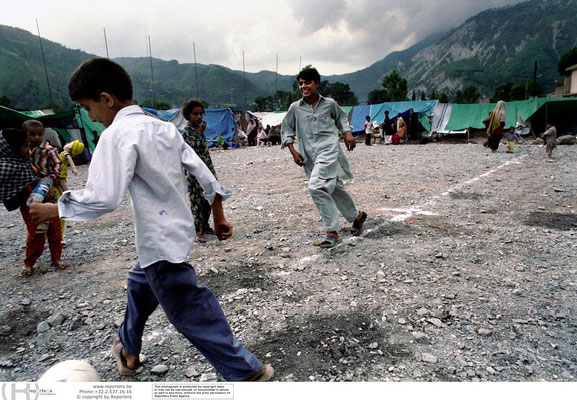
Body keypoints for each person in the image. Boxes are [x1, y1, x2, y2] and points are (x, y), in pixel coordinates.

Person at [29, 58, 273, 382]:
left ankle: (246, 373)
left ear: (106, 99)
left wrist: (56, 208)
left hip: (159, 241)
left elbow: (105, 197)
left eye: (88, 108)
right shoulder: (165, 129)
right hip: (175, 233)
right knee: (138, 283)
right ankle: (127, 348)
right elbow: (204, 172)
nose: (90, 117)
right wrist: (218, 216)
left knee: (191, 309)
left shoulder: (116, 135)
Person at [281, 67, 367, 248]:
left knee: (316, 186)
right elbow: (287, 129)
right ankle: (357, 217)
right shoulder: (295, 108)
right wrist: (293, 151)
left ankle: (331, 231)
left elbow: (341, 118)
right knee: (334, 187)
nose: (303, 86)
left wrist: (347, 132)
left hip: (328, 151)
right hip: (308, 155)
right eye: (301, 83)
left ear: (317, 84)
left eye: (307, 82)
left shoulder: (329, 104)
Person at [22, 120, 68, 275]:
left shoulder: (48, 150)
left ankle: (56, 258)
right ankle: (29, 263)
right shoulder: (23, 152)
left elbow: (58, 165)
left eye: (39, 134)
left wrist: (52, 178)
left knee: (54, 229)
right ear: (25, 136)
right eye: (32, 134)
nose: (36, 137)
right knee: (35, 233)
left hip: (46, 186)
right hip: (30, 190)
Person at [181, 99, 218, 243]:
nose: (199, 117)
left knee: (208, 199)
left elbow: (204, 152)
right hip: (194, 174)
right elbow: (191, 152)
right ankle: (198, 231)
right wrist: (199, 134)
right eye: (195, 114)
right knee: (196, 201)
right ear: (188, 115)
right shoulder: (186, 133)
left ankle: (205, 225)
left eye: (201, 113)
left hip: (207, 170)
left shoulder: (199, 131)